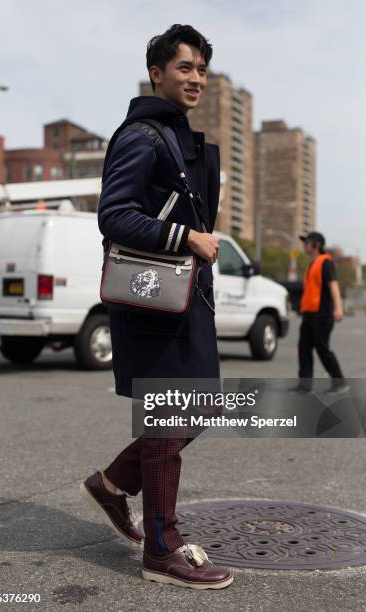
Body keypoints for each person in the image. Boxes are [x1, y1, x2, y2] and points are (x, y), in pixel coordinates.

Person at [80, 24, 233, 590]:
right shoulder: (141, 135)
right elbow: (114, 215)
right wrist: (185, 237)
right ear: (157, 72)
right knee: (173, 417)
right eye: (186, 68)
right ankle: (163, 549)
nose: (196, 79)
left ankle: (113, 483)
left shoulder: (174, 135)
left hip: (184, 299)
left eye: (201, 70)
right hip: (154, 299)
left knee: (201, 406)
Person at [296, 231, 350, 395]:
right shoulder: (312, 264)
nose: (304, 244)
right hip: (309, 314)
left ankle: (340, 383)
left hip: (322, 315)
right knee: (304, 348)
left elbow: (333, 285)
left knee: (322, 349)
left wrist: (338, 307)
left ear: (316, 245)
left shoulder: (325, 262)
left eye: (307, 242)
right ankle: (305, 386)